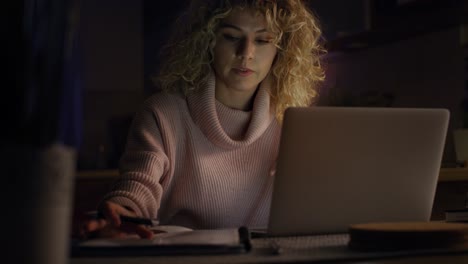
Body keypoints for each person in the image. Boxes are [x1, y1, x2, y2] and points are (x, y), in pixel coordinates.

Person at [81, 0, 325, 239]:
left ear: (281, 51)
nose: (246, 53)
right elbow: (139, 184)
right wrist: (122, 213)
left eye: (262, 40)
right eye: (231, 36)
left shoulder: (292, 123)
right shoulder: (163, 113)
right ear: (207, 40)